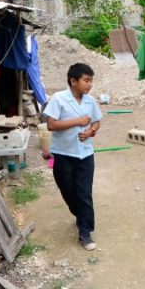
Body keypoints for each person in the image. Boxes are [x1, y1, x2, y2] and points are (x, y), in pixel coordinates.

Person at [43, 63, 102, 251]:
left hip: (85, 154)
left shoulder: (90, 101)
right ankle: (79, 214)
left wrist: (91, 130)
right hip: (63, 154)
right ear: (73, 81)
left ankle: (85, 231)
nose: (89, 84)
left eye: (91, 80)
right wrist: (78, 121)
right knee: (67, 190)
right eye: (86, 80)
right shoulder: (59, 99)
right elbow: (51, 125)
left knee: (84, 192)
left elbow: (96, 121)